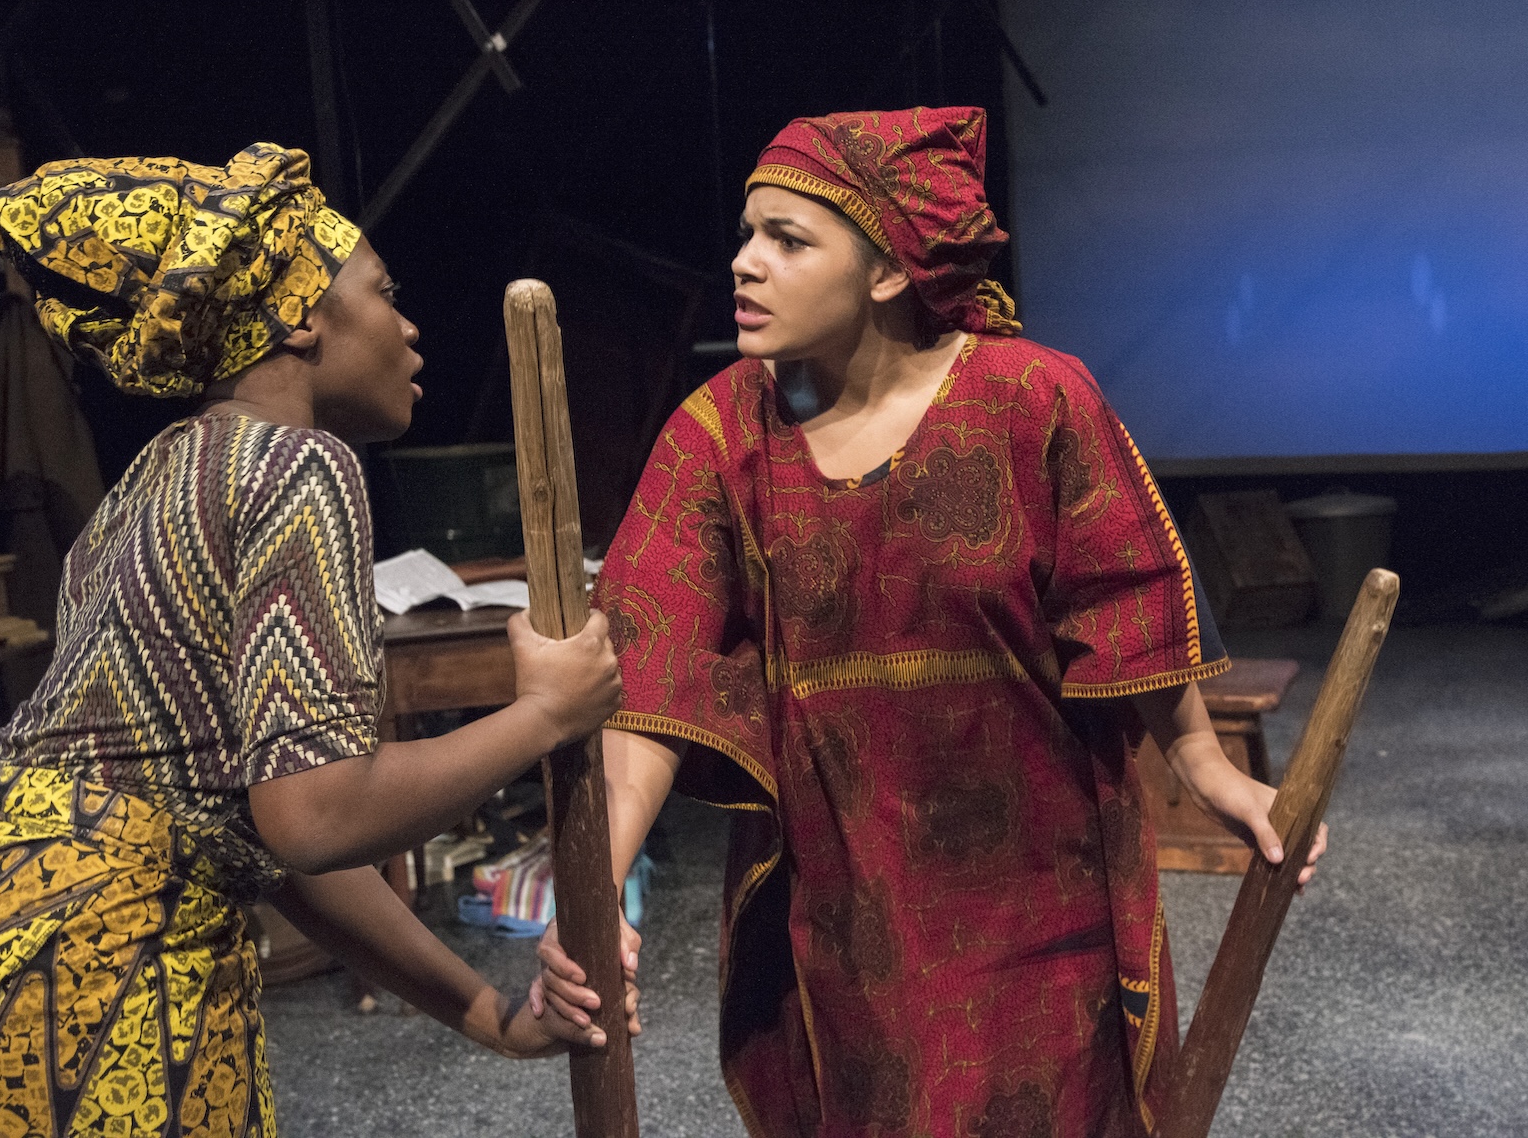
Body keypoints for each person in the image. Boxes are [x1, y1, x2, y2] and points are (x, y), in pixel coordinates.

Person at [535, 108, 1325, 1137]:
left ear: (889, 270)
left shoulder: (1032, 400)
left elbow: (1124, 601)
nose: (744, 264)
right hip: (848, 910)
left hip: (1042, 904)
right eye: (745, 233)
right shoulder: (720, 435)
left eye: (787, 238)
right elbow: (648, 668)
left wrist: (1209, 768)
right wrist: (594, 897)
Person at [0, 143, 629, 1138]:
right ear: (303, 316)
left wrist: (490, 1019)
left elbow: (270, 843)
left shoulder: (148, 483)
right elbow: (317, 818)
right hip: (91, 978)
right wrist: (543, 714)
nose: (409, 329)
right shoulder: (299, 464)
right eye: (384, 293)